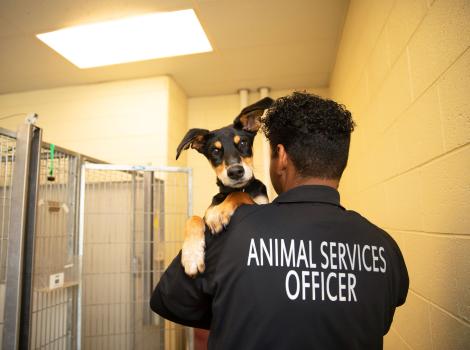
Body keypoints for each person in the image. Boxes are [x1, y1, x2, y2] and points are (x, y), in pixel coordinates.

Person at [150, 91, 409, 349]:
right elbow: (380, 317)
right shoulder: (386, 248)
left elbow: (168, 301)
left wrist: (235, 315)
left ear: (282, 157)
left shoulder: (228, 231)